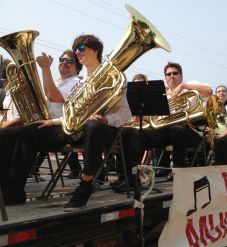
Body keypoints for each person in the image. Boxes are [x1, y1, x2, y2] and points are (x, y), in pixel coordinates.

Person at [1, 34, 132, 209]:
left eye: (82, 48)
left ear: (96, 50)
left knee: (94, 126)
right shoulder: (82, 82)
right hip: (75, 128)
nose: (78, 51)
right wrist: (53, 122)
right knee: (26, 132)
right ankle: (13, 191)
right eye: (76, 48)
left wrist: (107, 119)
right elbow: (73, 113)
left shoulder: (112, 77)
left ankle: (85, 186)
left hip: (103, 129)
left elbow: (126, 113)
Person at [115, 62, 212, 189]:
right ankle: (130, 176)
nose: (172, 76)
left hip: (191, 130)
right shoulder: (161, 92)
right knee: (133, 133)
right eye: (168, 74)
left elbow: (209, 91)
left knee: (177, 130)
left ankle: (179, 172)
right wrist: (141, 115)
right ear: (165, 77)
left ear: (181, 76)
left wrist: (183, 86)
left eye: (175, 73)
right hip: (166, 131)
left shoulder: (191, 86)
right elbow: (154, 117)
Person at [29, 50, 83, 178]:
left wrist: (45, 68)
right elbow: (44, 104)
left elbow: (53, 96)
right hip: (52, 124)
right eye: (61, 59)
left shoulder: (77, 81)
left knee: (28, 133)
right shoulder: (57, 82)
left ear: (77, 69)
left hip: (65, 127)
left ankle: (26, 171)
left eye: (69, 61)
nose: (64, 62)